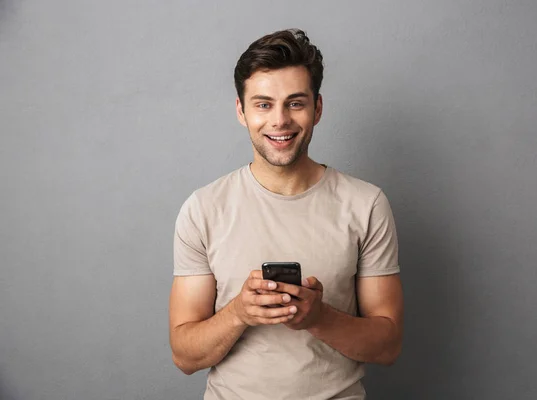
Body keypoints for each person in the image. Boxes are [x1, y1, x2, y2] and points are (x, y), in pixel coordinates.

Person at [169, 28, 404, 400]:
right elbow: (184, 355)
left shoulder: (366, 204)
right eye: (263, 104)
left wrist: (318, 318)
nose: (279, 120)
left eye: (295, 103)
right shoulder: (203, 208)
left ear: (318, 108)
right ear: (241, 111)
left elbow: (388, 346)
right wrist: (239, 313)